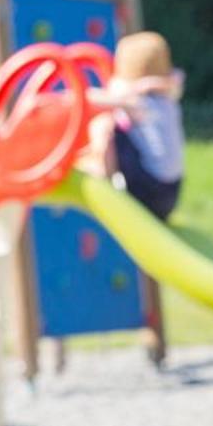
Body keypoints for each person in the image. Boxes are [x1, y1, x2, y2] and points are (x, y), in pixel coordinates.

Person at [81, 30, 186, 366]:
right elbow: (174, 79)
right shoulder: (169, 96)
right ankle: (101, 164)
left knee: (103, 125)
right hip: (170, 193)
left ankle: (99, 169)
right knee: (118, 126)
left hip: (148, 190)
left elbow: (92, 99)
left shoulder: (137, 101)